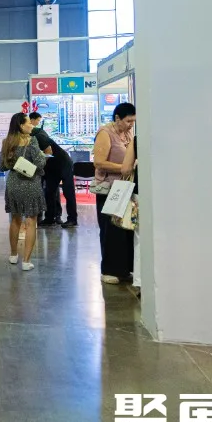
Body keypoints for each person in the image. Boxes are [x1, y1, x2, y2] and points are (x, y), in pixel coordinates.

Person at [92, 103, 137, 285]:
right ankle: (109, 270)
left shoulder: (128, 134)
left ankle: (123, 269)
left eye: (133, 121)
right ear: (117, 118)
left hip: (125, 188)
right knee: (110, 230)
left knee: (124, 230)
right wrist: (124, 168)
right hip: (109, 189)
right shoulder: (105, 133)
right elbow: (99, 162)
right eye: (128, 121)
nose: (131, 124)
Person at [0, 113, 47, 271]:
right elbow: (40, 163)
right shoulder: (32, 141)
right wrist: (42, 156)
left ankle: (13, 255)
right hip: (30, 183)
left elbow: (2, 167)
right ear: (21, 125)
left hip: (13, 184)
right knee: (31, 221)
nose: (31, 125)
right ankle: (26, 261)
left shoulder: (7, 142)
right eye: (29, 123)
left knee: (15, 219)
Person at [29, 112, 77, 227]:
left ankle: (72, 219)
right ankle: (50, 218)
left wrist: (38, 166)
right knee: (49, 192)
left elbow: (48, 152)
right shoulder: (30, 137)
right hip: (51, 167)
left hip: (63, 163)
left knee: (68, 192)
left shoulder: (38, 135)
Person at [121, 135, 140, 297]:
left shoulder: (137, 139)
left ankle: (140, 280)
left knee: (140, 237)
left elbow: (125, 169)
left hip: (140, 191)